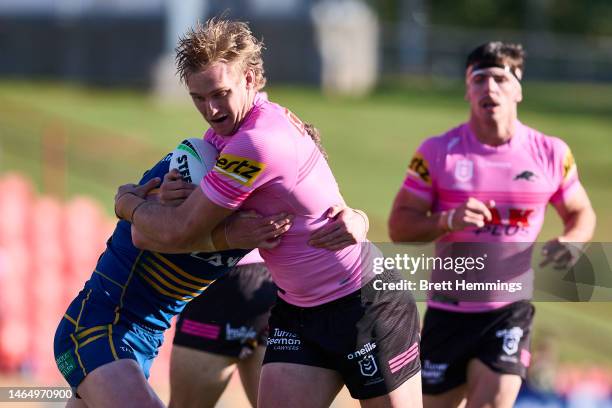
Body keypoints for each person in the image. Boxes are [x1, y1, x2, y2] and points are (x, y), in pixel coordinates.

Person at [114, 18, 422, 408]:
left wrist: (129, 205)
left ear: (252, 78)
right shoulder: (230, 133)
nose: (210, 110)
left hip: (366, 303)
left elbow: (180, 231)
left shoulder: (257, 142)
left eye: (220, 93)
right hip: (297, 310)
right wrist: (171, 197)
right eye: (197, 97)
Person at [54, 148, 363, 408]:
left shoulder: (269, 211)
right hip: (97, 326)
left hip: (143, 342)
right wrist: (132, 204)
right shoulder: (196, 168)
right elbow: (140, 232)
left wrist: (356, 219)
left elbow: (331, 230)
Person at [388, 41, 596, 408]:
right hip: (447, 312)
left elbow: (581, 212)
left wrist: (574, 240)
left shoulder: (551, 153)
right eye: (479, 79)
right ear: (468, 90)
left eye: (500, 78)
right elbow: (399, 226)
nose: (490, 88)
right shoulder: (438, 152)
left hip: (508, 310)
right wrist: (447, 219)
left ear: (518, 89)